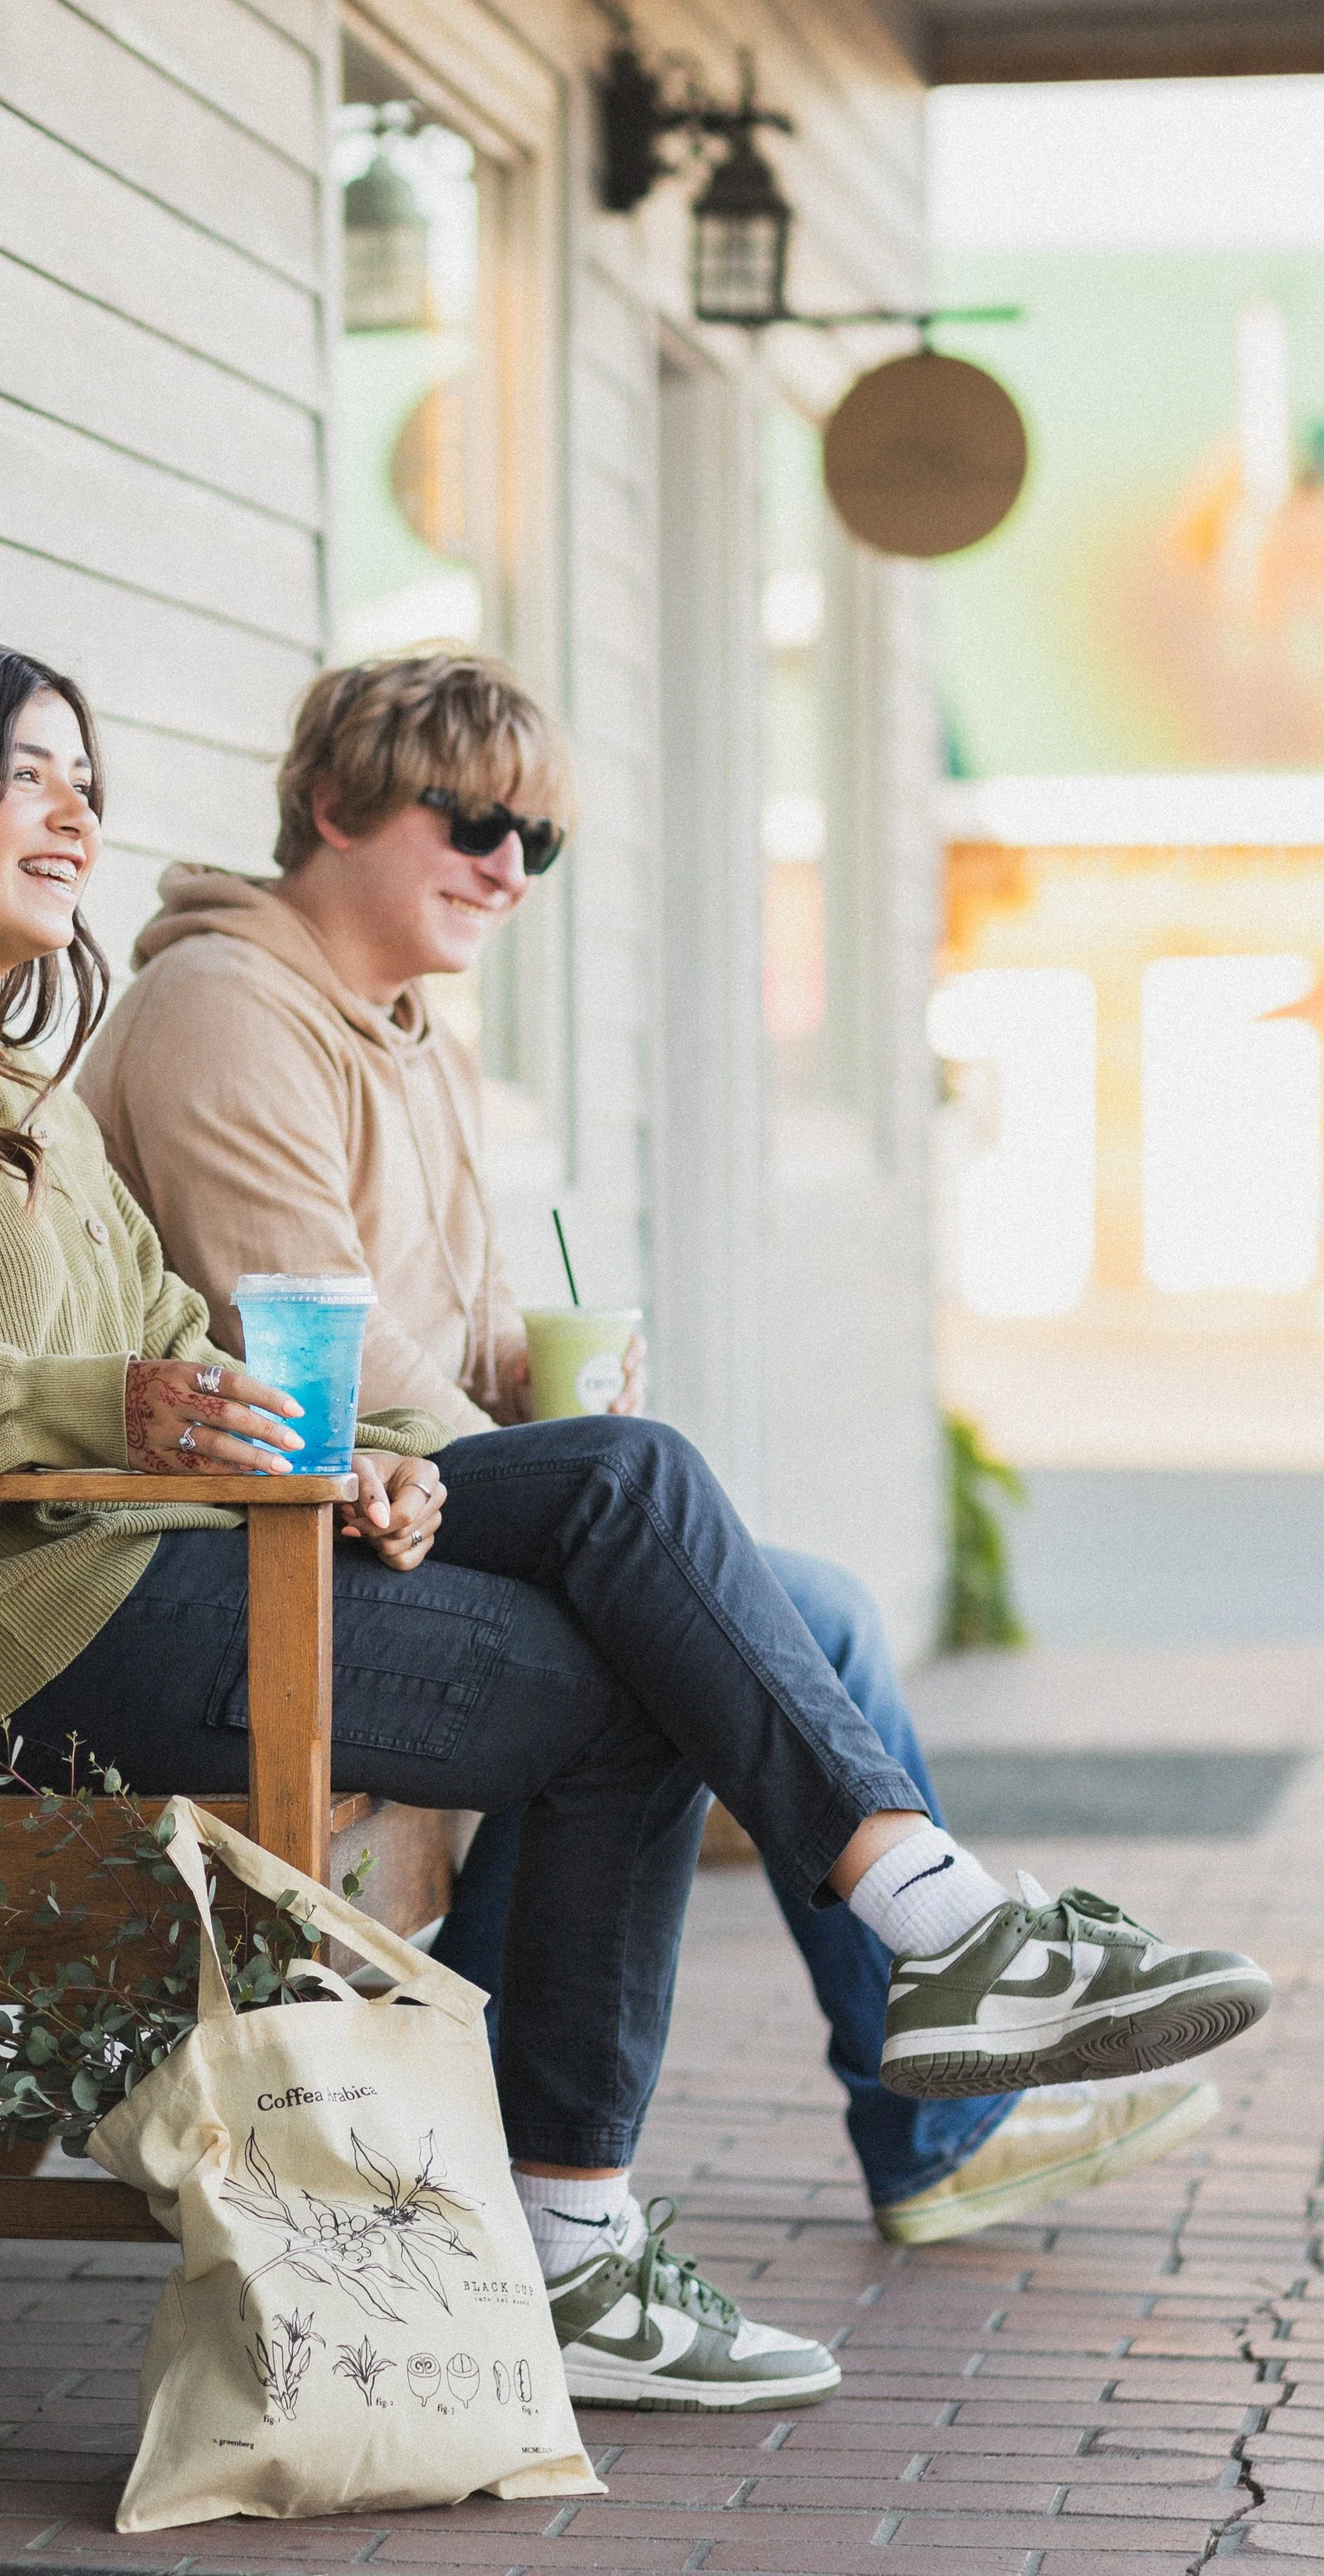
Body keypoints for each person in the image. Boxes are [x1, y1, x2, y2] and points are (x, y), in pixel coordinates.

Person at [0, 622, 1268, 2422]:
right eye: (27, 773)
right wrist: (96, 1410)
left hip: (144, 1564)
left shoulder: (6, 1082)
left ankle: (931, 1929)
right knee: (651, 1671)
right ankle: (614, 2212)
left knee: (626, 1480)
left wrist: (334, 1458)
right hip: (6, 1640)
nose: (71, 813)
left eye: (83, 782)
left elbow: (177, 1340)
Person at [80, 650, 1231, 2247]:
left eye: (534, 844)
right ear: (333, 807)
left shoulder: (413, 1034)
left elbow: (461, 1328)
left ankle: (926, 2113)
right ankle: (919, 2041)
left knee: (798, 1601)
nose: (504, 867)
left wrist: (546, 1393)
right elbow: (305, 1333)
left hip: (412, 1492)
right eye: (468, 820)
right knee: (690, 1579)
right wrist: (563, 1479)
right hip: (281, 1523)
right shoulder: (218, 1011)